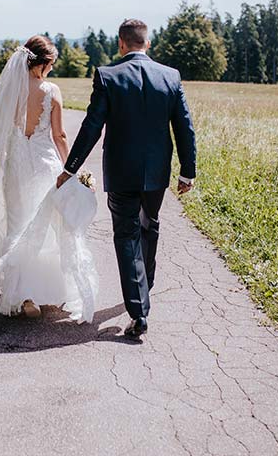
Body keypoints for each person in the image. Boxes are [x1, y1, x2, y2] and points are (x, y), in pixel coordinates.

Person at [57, 18, 196, 339]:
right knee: (151, 224)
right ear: (147, 43)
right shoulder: (170, 77)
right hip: (157, 172)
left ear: (121, 44)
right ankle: (145, 281)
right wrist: (187, 171)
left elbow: (92, 126)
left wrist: (70, 167)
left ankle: (139, 310)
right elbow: (184, 128)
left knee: (126, 235)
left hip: (121, 171)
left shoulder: (108, 76)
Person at [0, 35, 98, 323]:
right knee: (46, 224)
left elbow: (0, 131)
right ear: (41, 64)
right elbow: (58, 135)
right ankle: (47, 288)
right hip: (44, 164)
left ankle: (23, 296)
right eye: (50, 65)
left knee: (18, 222)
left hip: (16, 165)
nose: (50, 70)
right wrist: (70, 169)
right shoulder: (51, 91)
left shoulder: (7, 90)